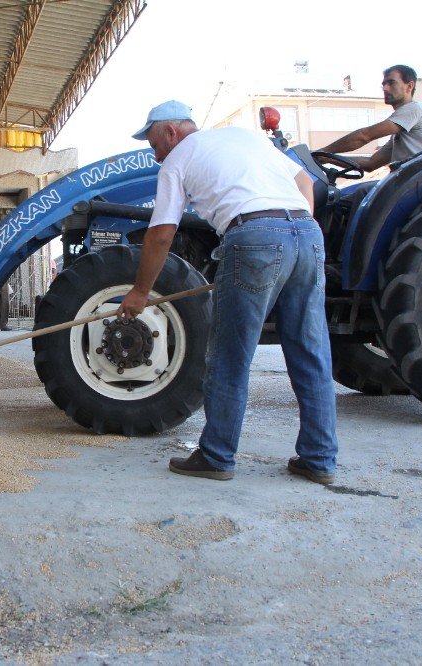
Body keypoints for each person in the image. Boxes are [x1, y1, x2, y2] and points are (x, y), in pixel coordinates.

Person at [116, 100, 339, 484]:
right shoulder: (243, 137)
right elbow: (304, 181)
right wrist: (292, 227)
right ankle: (319, 459)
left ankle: (217, 455)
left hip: (253, 236)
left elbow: (162, 232)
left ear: (171, 132)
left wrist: (140, 292)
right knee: (310, 349)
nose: (154, 155)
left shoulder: (177, 160)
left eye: (153, 143)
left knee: (230, 354)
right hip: (306, 232)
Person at [317, 65, 422, 171]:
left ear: (409, 86)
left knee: (356, 196)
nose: (385, 88)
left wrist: (321, 152)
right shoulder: (401, 135)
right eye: (383, 84)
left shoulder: (415, 109)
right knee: (355, 193)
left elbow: (364, 136)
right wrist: (328, 158)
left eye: (391, 83)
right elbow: (371, 163)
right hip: (414, 186)